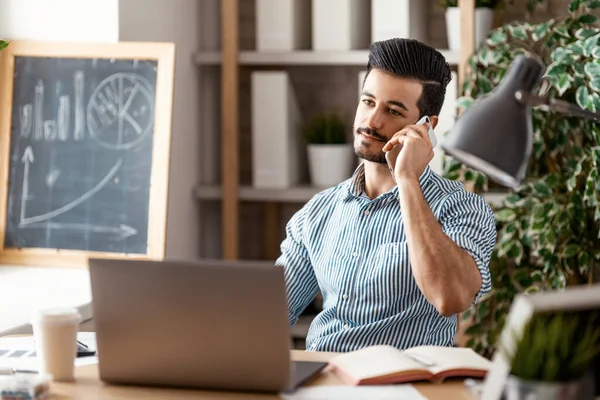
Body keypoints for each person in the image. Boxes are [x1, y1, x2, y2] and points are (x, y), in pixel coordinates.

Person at [275, 38, 497, 353]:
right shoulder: (316, 214)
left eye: (393, 111)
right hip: (326, 381)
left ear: (427, 127)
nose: (372, 121)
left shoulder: (462, 208)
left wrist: (406, 179)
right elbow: (270, 315)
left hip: (410, 387)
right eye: (368, 102)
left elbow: (451, 297)